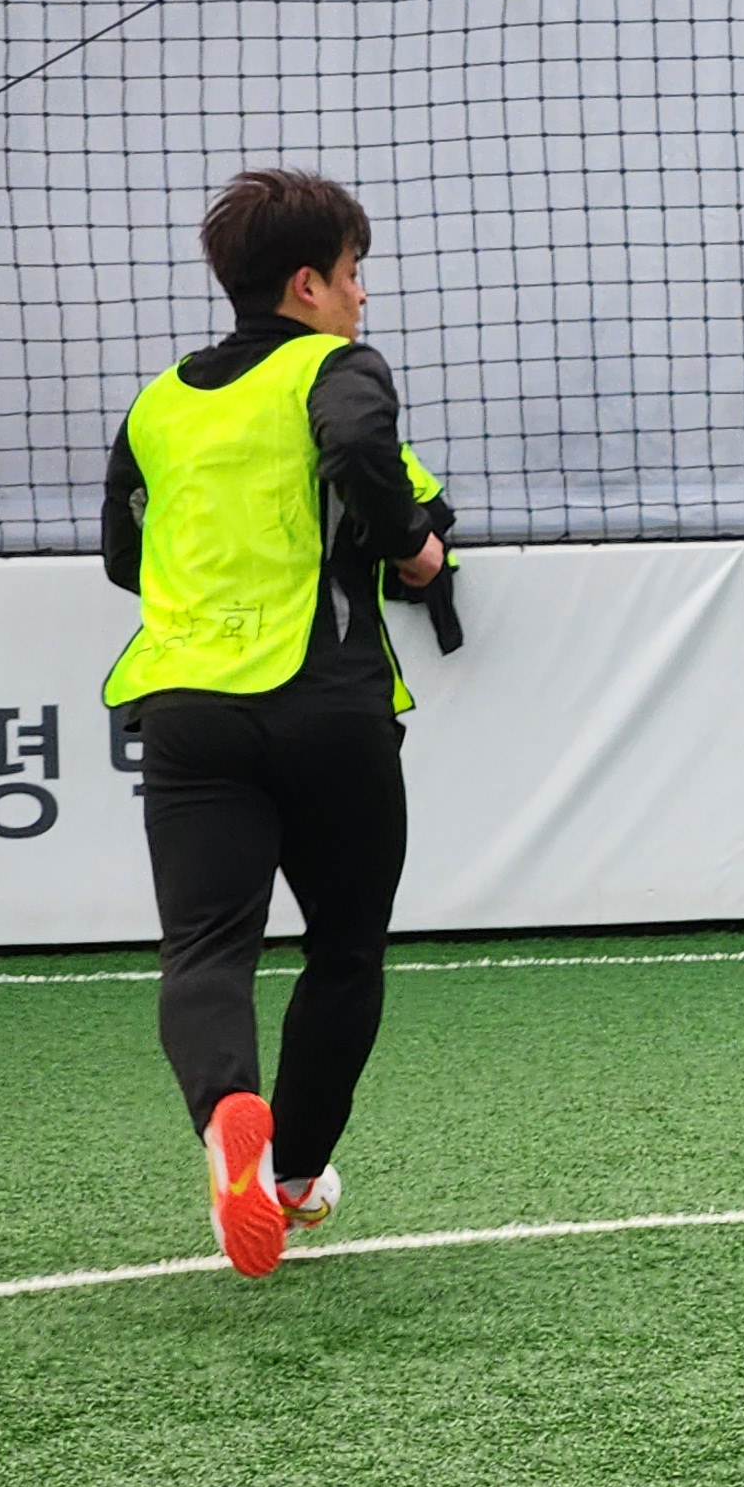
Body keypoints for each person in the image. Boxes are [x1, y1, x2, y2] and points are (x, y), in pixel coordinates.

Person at [102, 169, 456, 1278]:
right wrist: (408, 547)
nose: (362, 296)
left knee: (205, 949)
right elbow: (358, 451)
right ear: (307, 284)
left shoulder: (158, 404)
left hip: (187, 709)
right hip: (325, 703)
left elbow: (123, 556)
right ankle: (293, 1174)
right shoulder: (336, 369)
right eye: (354, 275)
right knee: (344, 952)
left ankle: (227, 1116)